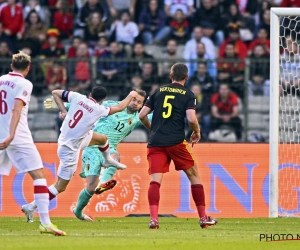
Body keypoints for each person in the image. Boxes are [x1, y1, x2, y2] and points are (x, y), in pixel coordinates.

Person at [21, 87, 138, 222]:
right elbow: (119, 107)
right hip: (70, 149)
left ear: (90, 94)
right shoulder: (98, 109)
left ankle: (107, 160)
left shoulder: (78, 97)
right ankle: (31, 206)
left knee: (102, 139)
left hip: (73, 137)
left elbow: (55, 93)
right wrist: (130, 95)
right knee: (60, 186)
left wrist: (63, 110)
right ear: (103, 100)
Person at [139, 63, 218, 229]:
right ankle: (203, 218)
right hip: (176, 142)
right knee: (194, 175)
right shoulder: (188, 95)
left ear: (171, 75)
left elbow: (142, 115)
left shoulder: (158, 91)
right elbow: (191, 118)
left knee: (155, 180)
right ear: (186, 77)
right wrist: (196, 132)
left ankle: (154, 219)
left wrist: (153, 129)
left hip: (156, 143)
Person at [0, 51, 65, 236]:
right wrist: (11, 135)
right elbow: (16, 108)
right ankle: (45, 222)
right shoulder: (24, 83)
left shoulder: (1, 79)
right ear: (28, 68)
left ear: (12, 65)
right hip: (17, 136)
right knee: (39, 176)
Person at [73, 89, 151, 221]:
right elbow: (87, 107)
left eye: (139, 102)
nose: (135, 103)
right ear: (129, 97)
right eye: (134, 99)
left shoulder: (138, 117)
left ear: (142, 105)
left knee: (115, 156)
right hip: (92, 147)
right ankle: (78, 212)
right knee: (90, 188)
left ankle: (103, 183)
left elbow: (158, 115)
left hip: (110, 149)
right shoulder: (112, 105)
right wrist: (65, 108)